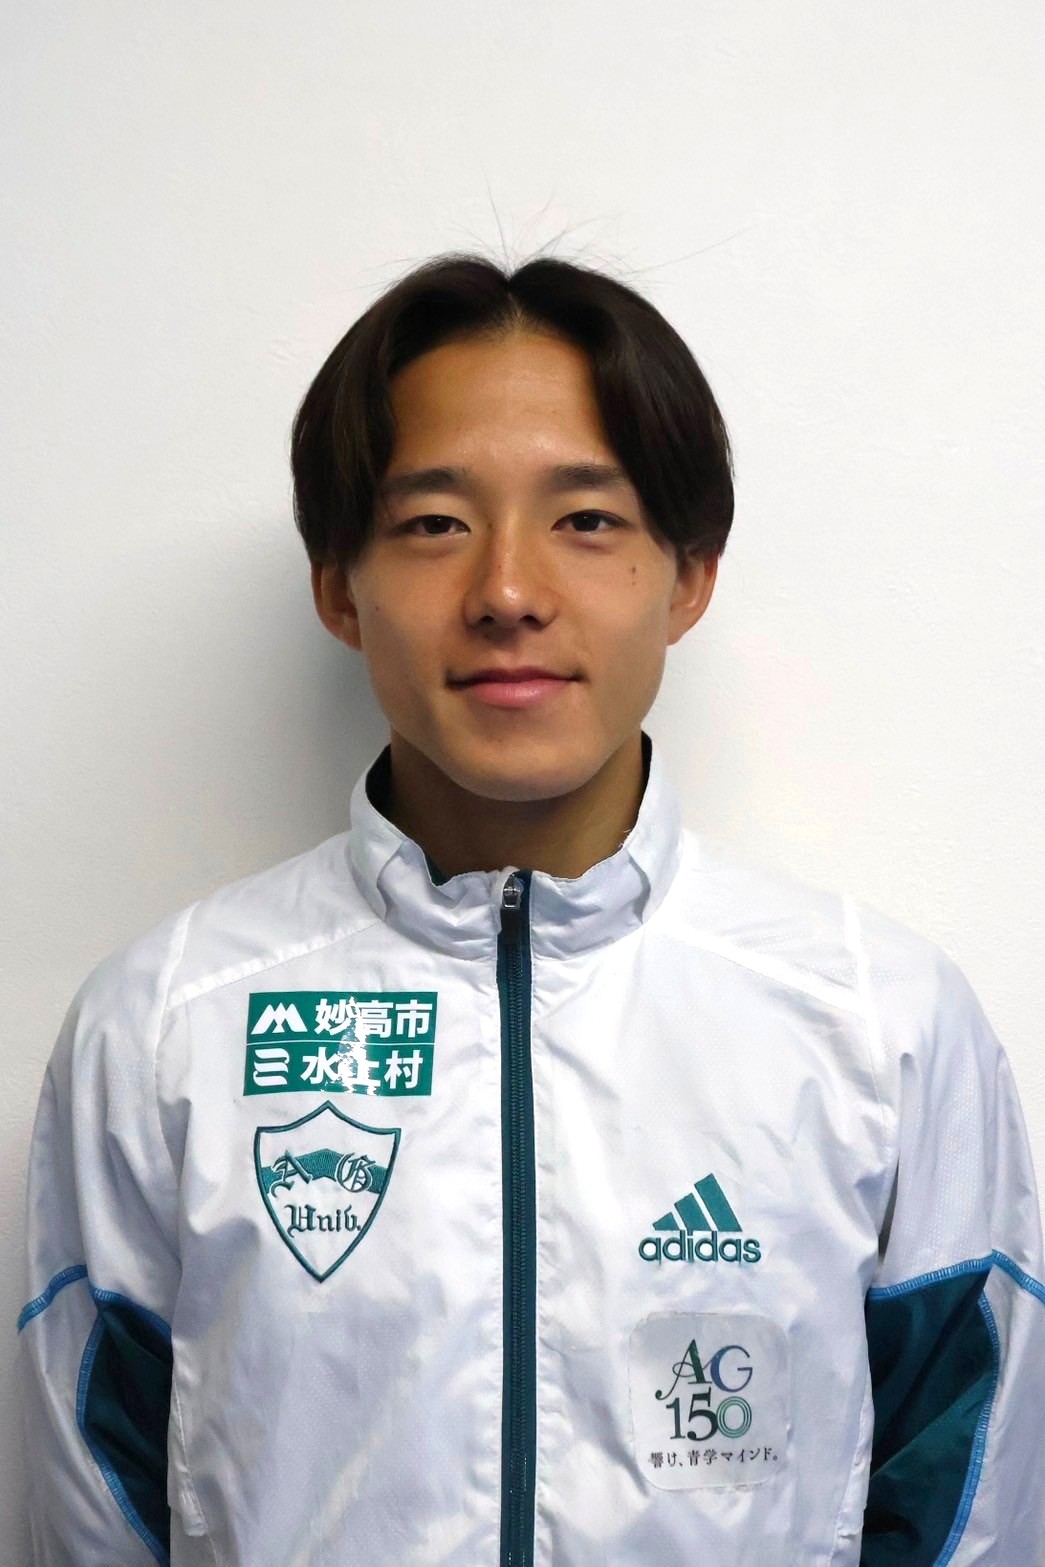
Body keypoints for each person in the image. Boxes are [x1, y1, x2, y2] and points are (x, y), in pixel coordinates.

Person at [18, 250, 1045, 1567]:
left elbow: (970, 1507)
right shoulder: (165, 1027)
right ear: (338, 585)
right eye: (434, 523)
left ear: (688, 576)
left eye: (588, 520)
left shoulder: (879, 1024)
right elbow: (91, 1514)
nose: (508, 591)